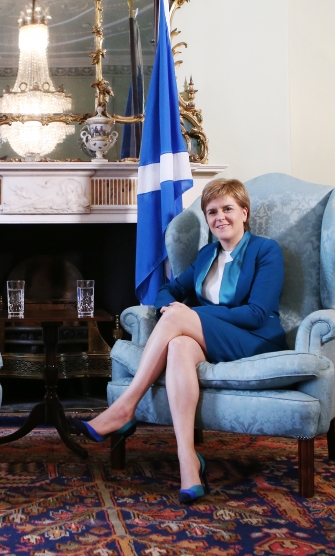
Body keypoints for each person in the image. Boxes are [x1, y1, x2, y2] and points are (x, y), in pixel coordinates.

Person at [70, 178, 286, 504]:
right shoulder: (206, 255)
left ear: (244, 212)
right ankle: (188, 460)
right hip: (211, 336)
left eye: (228, 209)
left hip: (253, 338)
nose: (220, 217)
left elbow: (256, 313)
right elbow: (168, 291)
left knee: (178, 317)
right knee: (178, 344)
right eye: (212, 211)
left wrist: (188, 316)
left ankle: (125, 407)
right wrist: (169, 308)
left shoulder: (265, 250)